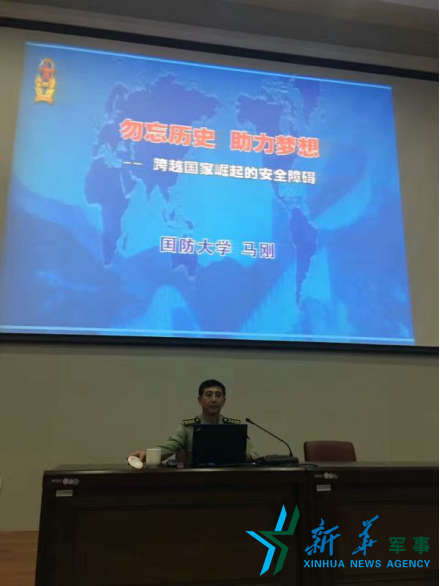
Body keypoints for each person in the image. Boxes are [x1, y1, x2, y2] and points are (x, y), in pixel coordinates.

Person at [129, 379, 258, 464]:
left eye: (218, 395)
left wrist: (236, 456)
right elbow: (170, 447)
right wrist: (147, 454)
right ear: (199, 400)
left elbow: (254, 454)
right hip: (197, 481)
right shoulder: (189, 427)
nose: (214, 400)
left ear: (224, 401)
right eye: (209, 395)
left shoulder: (233, 427)